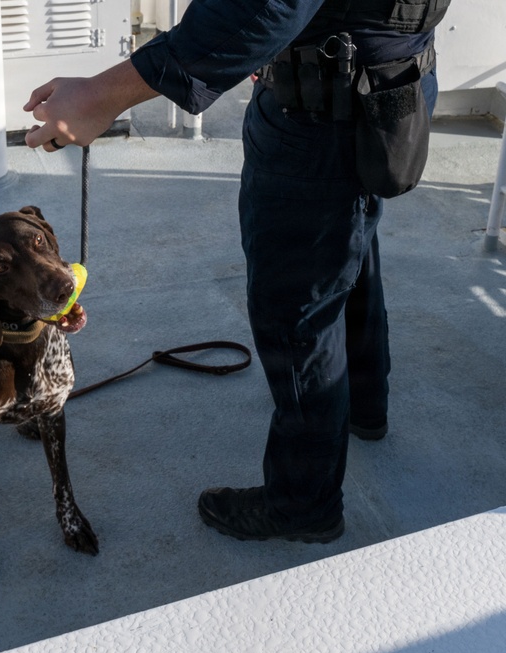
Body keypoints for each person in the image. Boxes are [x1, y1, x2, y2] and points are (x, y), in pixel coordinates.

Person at [24, 0, 449, 543]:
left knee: (298, 309)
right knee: (350, 247)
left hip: (321, 109)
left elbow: (265, 7)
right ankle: (362, 406)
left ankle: (303, 504)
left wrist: (104, 94)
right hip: (391, 90)